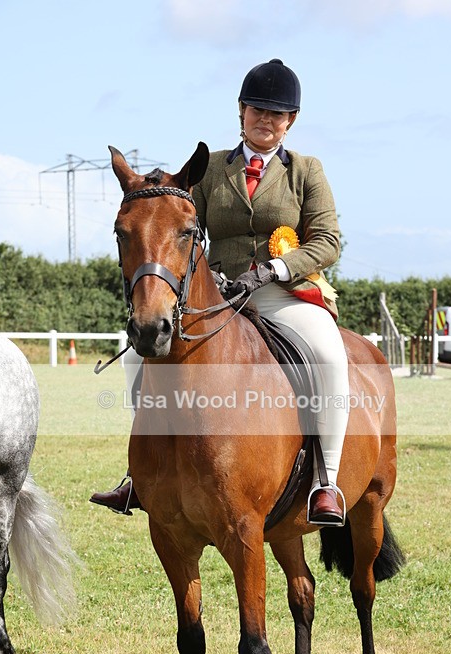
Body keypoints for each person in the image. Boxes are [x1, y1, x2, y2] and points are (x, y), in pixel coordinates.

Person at [90, 58, 349, 525]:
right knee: (136, 357)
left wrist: (275, 269)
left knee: (329, 356)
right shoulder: (209, 168)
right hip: (219, 295)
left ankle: (325, 481)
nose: (265, 120)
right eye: (257, 110)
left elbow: (327, 241)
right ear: (241, 112)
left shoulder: (307, 171)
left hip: (283, 294)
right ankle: (141, 472)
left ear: (290, 121)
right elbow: (182, 221)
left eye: (276, 113)